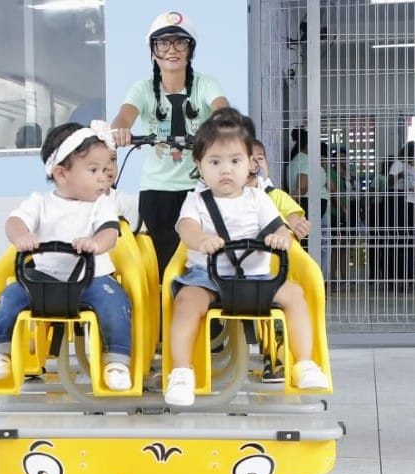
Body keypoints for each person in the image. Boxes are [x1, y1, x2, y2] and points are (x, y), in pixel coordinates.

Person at [164, 108, 328, 406]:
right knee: (186, 301)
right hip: (208, 278)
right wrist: (201, 240)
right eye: (215, 162)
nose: (225, 170)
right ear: (199, 165)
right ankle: (182, 371)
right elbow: (186, 228)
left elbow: (279, 227)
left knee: (295, 294)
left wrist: (281, 236)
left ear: (251, 164)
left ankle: (304, 363)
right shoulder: (195, 200)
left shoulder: (258, 198)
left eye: (235, 161)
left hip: (257, 278)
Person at [0, 121, 133, 391]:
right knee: (9, 297)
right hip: (44, 280)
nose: (103, 177)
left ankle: (116, 362)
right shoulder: (40, 202)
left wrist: (96, 243)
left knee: (115, 301)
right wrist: (21, 236)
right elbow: (14, 221)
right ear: (62, 174)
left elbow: (110, 232)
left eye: (105, 169)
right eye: (93, 170)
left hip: (92, 279)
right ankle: (0, 353)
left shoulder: (101, 204)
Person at [110, 11, 229, 279]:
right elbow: (124, 116)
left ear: (190, 49)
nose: (172, 50)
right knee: (159, 264)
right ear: (153, 51)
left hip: (199, 187)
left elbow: (221, 108)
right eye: (163, 43)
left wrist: (221, 123)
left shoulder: (205, 85)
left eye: (180, 42)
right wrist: (120, 130)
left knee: (204, 259)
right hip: (157, 189)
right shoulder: (143, 89)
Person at [287, 128, 331, 278]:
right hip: (311, 204)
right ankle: (313, 278)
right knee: (313, 243)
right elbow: (302, 186)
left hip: (306, 204)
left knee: (306, 241)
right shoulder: (305, 160)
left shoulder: (295, 160)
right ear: (308, 146)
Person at [385, 141, 415, 288]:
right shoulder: (399, 164)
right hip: (402, 205)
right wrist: (399, 176)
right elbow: (389, 183)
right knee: (401, 241)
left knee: (412, 242)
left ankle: (408, 276)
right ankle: (397, 277)